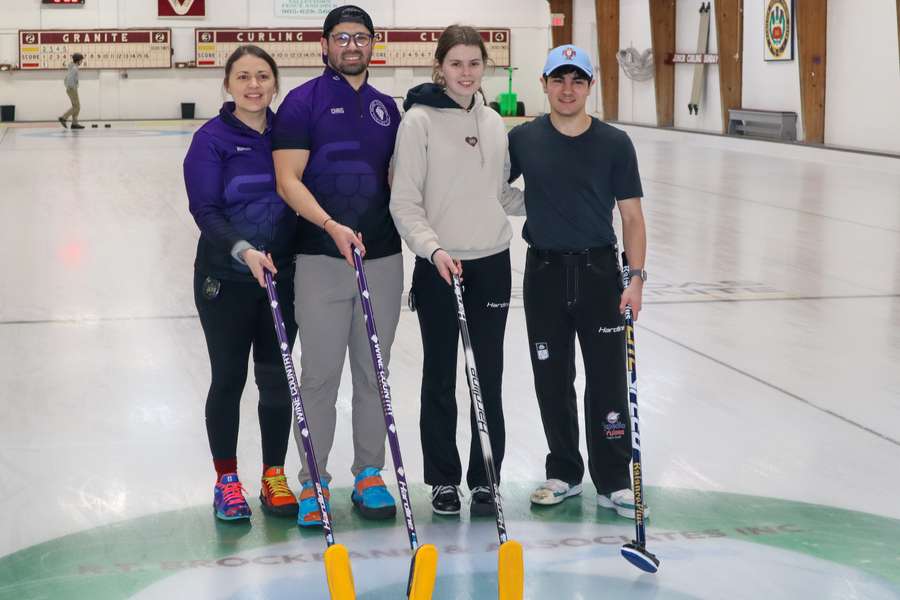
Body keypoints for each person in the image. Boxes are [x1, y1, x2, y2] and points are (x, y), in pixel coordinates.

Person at [272, 5, 403, 526]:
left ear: (374, 44)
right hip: (321, 257)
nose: (353, 46)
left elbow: (400, 179)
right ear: (324, 44)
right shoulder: (301, 103)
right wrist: (331, 226)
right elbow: (288, 179)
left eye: (362, 37)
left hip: (383, 259)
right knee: (321, 375)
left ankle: (370, 474)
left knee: (375, 373)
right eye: (342, 37)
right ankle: (313, 482)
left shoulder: (386, 107)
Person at [507, 44, 650, 519]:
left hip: (598, 274)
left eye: (578, 81)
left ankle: (614, 479)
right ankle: (564, 471)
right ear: (544, 84)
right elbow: (482, 184)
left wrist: (635, 279)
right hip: (544, 274)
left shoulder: (614, 143)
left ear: (590, 86)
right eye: (558, 80)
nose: (567, 90)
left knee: (607, 380)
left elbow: (632, 216)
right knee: (552, 378)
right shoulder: (523, 139)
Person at [390, 24, 524, 517]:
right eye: (456, 64)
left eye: (474, 63)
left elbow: (502, 196)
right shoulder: (418, 123)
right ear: (439, 68)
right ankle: (444, 480)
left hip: (491, 263)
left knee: (487, 375)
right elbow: (404, 203)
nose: (466, 73)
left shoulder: (493, 121)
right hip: (440, 266)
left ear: (484, 66)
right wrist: (432, 250)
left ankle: (487, 476)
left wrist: (561, 205)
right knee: (441, 375)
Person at [184, 45, 299, 521]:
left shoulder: (290, 135)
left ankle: (274, 475)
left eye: (263, 76)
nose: (254, 85)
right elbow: (205, 209)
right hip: (226, 280)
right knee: (229, 378)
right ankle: (226, 480)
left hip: (281, 279)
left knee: (277, 382)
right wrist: (244, 251)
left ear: (275, 83)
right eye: (244, 76)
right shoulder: (210, 139)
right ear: (228, 84)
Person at [58, 53, 84, 130]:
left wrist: (69, 87)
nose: (82, 62)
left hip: (71, 89)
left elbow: (66, 78)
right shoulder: (74, 68)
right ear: (78, 60)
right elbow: (69, 79)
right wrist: (72, 87)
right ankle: (63, 117)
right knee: (77, 107)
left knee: (76, 106)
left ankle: (74, 123)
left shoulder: (72, 67)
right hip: (72, 89)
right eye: (81, 60)